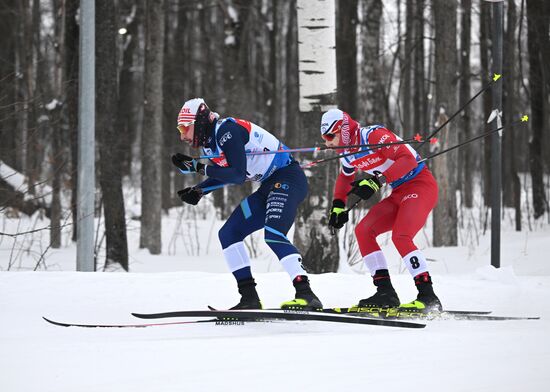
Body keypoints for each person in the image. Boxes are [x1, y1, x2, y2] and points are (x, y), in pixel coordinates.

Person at [172, 98, 322, 310]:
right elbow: (227, 174)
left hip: (288, 178)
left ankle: (307, 294)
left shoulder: (227, 132)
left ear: (199, 122)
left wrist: (197, 167)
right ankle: (249, 298)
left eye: (185, 128)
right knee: (228, 233)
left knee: (273, 234)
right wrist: (199, 190)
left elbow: (237, 173)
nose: (182, 135)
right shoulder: (210, 144)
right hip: (268, 185)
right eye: (180, 129)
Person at [320, 108, 442, 312]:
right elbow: (345, 178)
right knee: (363, 230)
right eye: (324, 138)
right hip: (398, 192)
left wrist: (378, 181)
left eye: (330, 136)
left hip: (420, 185)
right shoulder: (346, 154)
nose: (327, 143)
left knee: (401, 236)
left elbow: (408, 160)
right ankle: (385, 292)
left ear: (343, 131)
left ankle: (428, 296)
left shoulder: (373, 136)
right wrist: (338, 206)